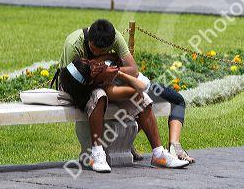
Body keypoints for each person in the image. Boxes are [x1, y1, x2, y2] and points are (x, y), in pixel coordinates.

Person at [57, 19, 190, 172]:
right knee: (99, 95)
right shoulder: (74, 44)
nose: (98, 54)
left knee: (142, 98)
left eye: (103, 52)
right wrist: (104, 66)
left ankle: (158, 153)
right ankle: (96, 153)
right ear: (89, 40)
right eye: (94, 50)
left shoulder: (115, 38)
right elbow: (73, 82)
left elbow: (133, 70)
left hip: (104, 82)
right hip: (75, 86)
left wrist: (114, 72)